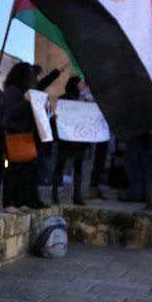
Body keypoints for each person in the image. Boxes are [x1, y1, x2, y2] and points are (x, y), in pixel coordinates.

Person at [0, 62, 40, 214]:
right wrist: (25, 101)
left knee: (22, 170)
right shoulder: (12, 90)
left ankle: (19, 201)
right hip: (13, 134)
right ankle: (8, 202)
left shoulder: (22, 91)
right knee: (12, 170)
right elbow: (11, 113)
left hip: (24, 134)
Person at [50, 77, 89, 206]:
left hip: (79, 139)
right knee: (61, 165)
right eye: (80, 83)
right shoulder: (64, 98)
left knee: (78, 167)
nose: (82, 85)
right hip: (67, 139)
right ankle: (55, 193)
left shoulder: (84, 99)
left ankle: (77, 195)